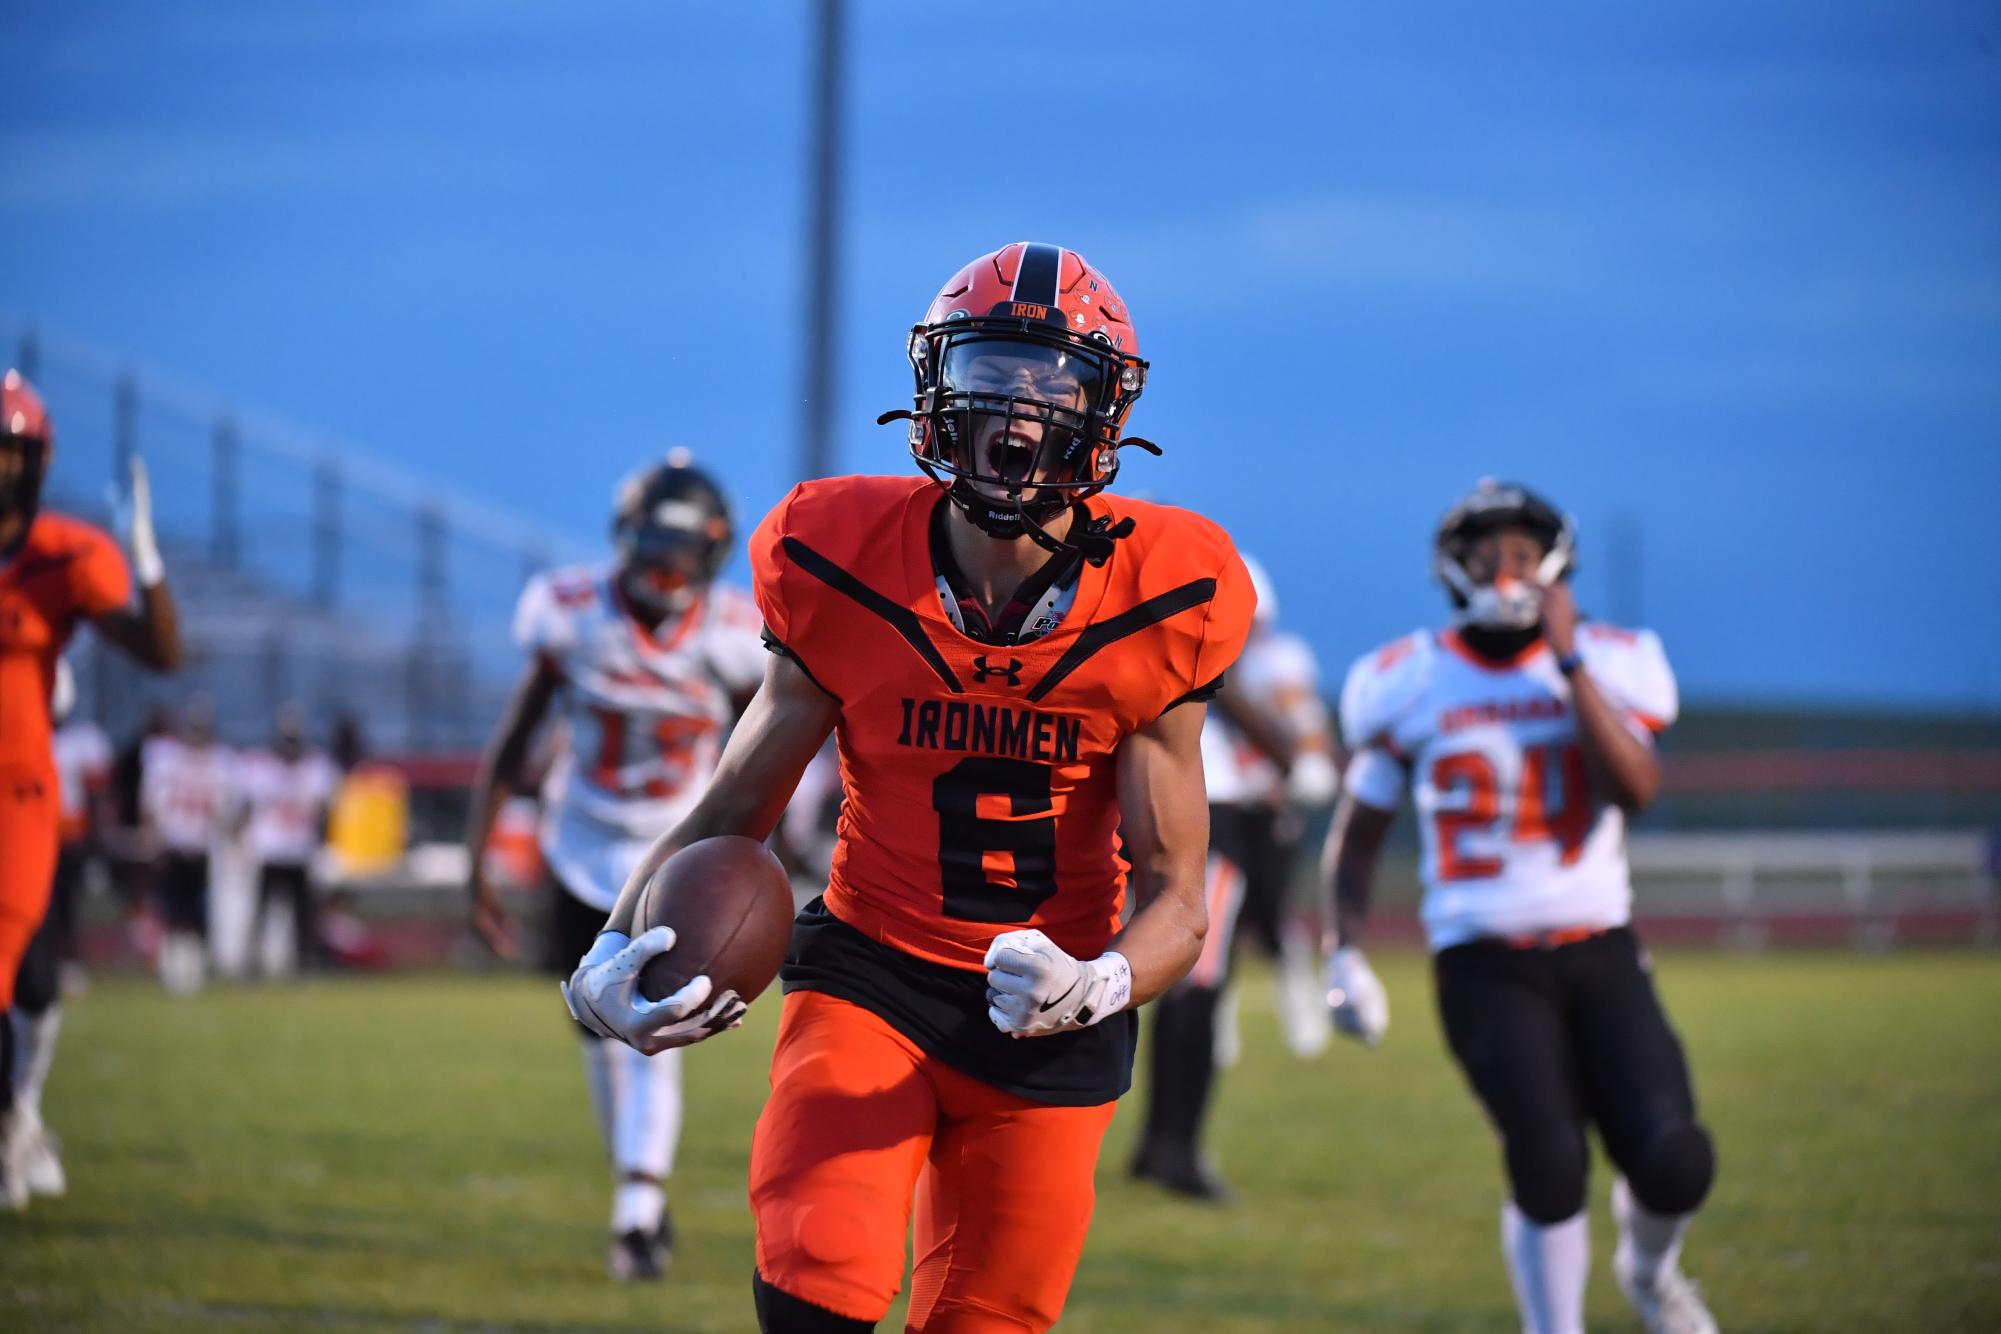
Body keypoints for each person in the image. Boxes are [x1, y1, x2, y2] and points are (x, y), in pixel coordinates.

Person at [561, 241, 1254, 1332]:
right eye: (991, 371)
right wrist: (612, 940)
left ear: (1103, 410)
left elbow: (1179, 892)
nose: (1018, 414)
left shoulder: (1166, 591)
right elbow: (735, 799)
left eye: (1053, 382)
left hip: (1049, 1012)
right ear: (937, 389)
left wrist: (1101, 983)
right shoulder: (837, 552)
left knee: (988, 1315)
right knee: (817, 1271)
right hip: (872, 970)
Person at [1320, 480, 1717, 1334]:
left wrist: (1567, 660)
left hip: (1600, 946)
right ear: (1451, 569)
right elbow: (1354, 841)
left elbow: (1637, 790)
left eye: (1522, 555)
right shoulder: (1408, 679)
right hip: (1482, 960)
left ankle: (1650, 1276)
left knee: (1675, 1159)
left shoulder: (1606, 660)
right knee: (1548, 1160)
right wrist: (1341, 951)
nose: (1505, 571)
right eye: (1485, 555)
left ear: (1554, 567)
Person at [466, 452, 766, 1281]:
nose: (665, 567)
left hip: (676, 854)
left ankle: (637, 1208)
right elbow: (511, 746)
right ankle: (637, 1194)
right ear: (623, 539)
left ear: (711, 552)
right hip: (578, 847)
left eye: (683, 548)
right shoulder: (571, 616)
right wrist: (476, 868)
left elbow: (766, 749)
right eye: (652, 545)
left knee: (653, 1035)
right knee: (597, 1032)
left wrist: (761, 850)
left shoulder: (733, 637)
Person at [0, 369, 180, 1208]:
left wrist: (145, 562)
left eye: (13, 454)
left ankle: (19, 1114)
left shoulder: (59, 555)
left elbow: (159, 652)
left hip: (17, 798)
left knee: (29, 981)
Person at [1129, 554, 1338, 1201]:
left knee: (1174, 980)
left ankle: (1159, 1144)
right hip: (1201, 815)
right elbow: (1273, 738)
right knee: (1195, 981)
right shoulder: (1192, 652)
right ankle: (1173, 1149)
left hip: (1172, 809)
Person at [233, 704, 340, 976]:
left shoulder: (315, 768)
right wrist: (237, 840)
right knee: (262, 914)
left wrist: (325, 844)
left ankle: (305, 964)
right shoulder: (260, 767)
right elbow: (244, 809)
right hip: (269, 852)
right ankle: (252, 963)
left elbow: (327, 814)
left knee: (303, 917)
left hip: (300, 853)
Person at [140, 695, 234, 996]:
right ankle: (171, 968)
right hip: (173, 845)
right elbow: (151, 805)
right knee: (171, 910)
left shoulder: (220, 761)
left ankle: (193, 969)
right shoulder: (164, 756)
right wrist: (155, 838)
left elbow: (226, 810)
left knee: (198, 913)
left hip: (204, 847)